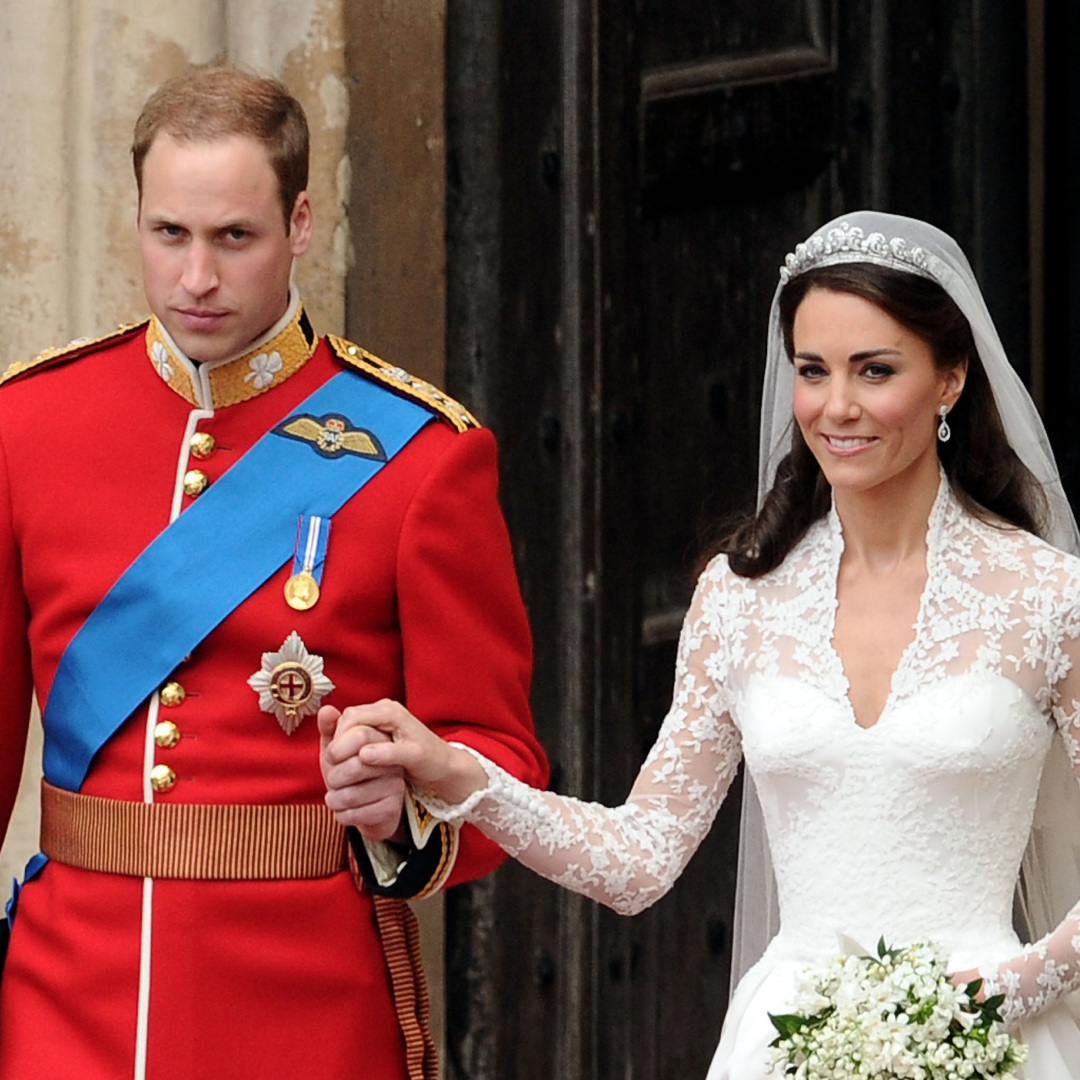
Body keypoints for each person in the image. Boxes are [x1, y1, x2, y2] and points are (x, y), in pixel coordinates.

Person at [322, 211, 1080, 1078]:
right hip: (788, 1045)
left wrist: (989, 999)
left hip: (994, 1040)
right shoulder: (740, 597)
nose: (837, 407)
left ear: (949, 380)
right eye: (812, 371)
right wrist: (461, 777)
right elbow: (639, 859)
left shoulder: (1048, 596)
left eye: (875, 371)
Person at [0, 67, 548, 1080]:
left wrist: (409, 803)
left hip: (303, 1004)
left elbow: (502, 758)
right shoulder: (26, 426)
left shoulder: (420, 455)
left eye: (233, 238)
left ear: (300, 223)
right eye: (170, 234)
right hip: (64, 997)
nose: (196, 278)